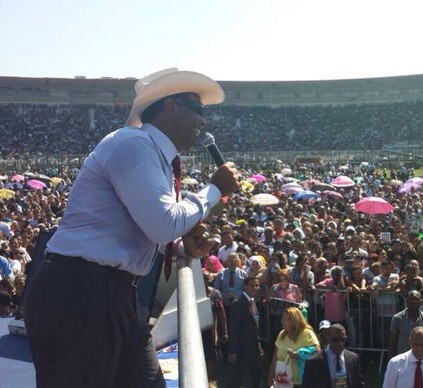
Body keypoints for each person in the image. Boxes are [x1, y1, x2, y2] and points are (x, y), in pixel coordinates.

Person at [23, 68, 239, 388]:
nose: (203, 121)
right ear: (171, 106)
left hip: (111, 294)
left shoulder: (153, 157)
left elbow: (138, 230)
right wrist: (214, 190)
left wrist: (180, 249)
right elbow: (162, 224)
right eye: (199, 109)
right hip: (80, 293)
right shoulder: (133, 145)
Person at [223, 276, 262, 388]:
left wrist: (258, 345)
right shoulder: (238, 303)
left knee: (256, 377)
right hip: (241, 350)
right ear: (245, 287)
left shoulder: (253, 302)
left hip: (253, 349)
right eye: (252, 285)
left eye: (257, 285)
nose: (255, 288)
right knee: (236, 379)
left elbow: (255, 327)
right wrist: (232, 351)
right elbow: (233, 329)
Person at [268, 306, 321, 386]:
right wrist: (270, 376)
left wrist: (299, 355)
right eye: (282, 318)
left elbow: (318, 353)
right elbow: (275, 358)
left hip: (303, 383)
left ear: (295, 321)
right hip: (283, 383)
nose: (282, 321)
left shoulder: (307, 333)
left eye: (286, 319)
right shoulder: (281, 335)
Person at [302, 323, 365, 388]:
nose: (340, 343)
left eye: (343, 339)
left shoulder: (354, 359)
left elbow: (359, 384)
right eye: (336, 340)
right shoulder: (313, 362)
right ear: (328, 339)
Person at [389, 290, 423, 358]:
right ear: (406, 301)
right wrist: (391, 361)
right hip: (402, 359)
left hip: (421, 359)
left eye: (416, 299)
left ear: (421, 302)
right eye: (411, 299)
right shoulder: (397, 318)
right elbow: (392, 342)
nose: (414, 301)